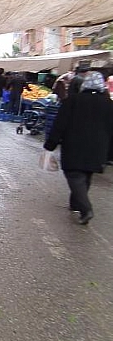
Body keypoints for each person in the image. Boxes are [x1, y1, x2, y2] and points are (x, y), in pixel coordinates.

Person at [43, 71, 113, 225]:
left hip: (75, 145)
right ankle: (75, 203)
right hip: (98, 147)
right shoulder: (108, 104)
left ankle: (85, 208)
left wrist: (51, 144)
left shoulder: (73, 100)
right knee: (86, 174)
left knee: (74, 175)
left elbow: (60, 123)